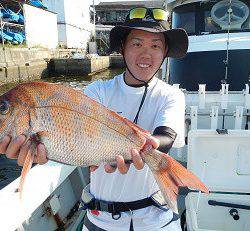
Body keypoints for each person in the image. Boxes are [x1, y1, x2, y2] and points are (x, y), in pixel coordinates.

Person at [0, 7, 188, 231]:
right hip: (101, 221)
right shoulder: (97, 91)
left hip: (156, 222)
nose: (146, 54)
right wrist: (39, 152)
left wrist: (147, 147)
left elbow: (166, 136)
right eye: (137, 43)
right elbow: (73, 141)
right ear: (122, 48)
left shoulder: (171, 94)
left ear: (165, 51)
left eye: (155, 45)